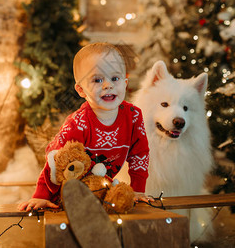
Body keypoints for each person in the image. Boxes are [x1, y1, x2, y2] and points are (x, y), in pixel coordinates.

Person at [18, 42, 150, 211]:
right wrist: (41, 195)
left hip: (103, 189)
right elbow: (56, 160)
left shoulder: (133, 116)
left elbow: (139, 154)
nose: (107, 85)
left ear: (125, 82)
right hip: (70, 193)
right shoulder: (78, 123)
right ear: (81, 90)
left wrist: (138, 190)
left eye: (115, 78)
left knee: (120, 207)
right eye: (97, 80)